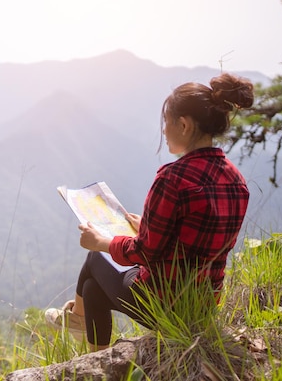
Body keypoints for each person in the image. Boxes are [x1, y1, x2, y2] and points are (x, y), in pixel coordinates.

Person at [45, 72, 254, 351]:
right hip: (203, 305)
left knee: (95, 257)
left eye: (166, 123)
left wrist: (102, 242)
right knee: (94, 289)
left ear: (183, 125)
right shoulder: (236, 179)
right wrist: (147, 223)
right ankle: (94, 354)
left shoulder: (173, 178)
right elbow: (203, 238)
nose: (163, 131)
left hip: (162, 303)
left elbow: (145, 253)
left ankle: (78, 320)